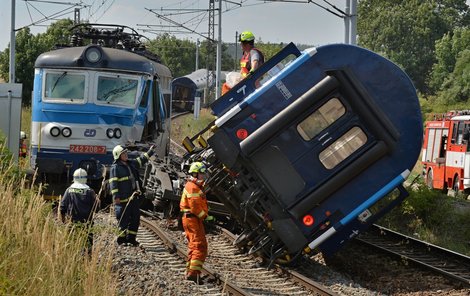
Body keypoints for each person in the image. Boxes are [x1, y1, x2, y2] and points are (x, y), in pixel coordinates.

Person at [110, 144, 155, 246]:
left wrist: (150, 151)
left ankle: (131, 239)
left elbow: (141, 160)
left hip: (133, 197)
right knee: (123, 220)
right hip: (122, 200)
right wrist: (116, 196)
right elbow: (113, 183)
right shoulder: (115, 168)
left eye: (126, 152)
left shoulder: (131, 164)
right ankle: (121, 240)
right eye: (123, 153)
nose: (126, 154)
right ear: (118, 155)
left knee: (135, 218)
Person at [180, 162, 213, 284]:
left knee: (194, 246)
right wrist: (205, 217)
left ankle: (190, 271)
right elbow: (194, 206)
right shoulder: (192, 187)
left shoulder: (194, 186)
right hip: (192, 219)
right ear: (195, 173)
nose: (203, 176)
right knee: (199, 246)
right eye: (202, 173)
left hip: (193, 219)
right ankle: (193, 274)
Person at [59, 168, 99, 255]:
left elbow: (62, 208)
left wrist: (64, 221)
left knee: (72, 244)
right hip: (87, 223)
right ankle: (87, 262)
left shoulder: (69, 190)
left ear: (74, 178)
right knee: (87, 245)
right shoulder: (90, 191)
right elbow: (97, 208)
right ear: (86, 178)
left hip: (72, 223)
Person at [221, 30, 265, 95]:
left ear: (247, 44)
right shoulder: (245, 55)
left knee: (226, 87)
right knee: (226, 85)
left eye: (241, 42)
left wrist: (252, 70)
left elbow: (255, 61)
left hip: (252, 84)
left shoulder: (253, 52)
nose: (240, 44)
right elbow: (243, 70)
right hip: (245, 82)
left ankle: (224, 103)